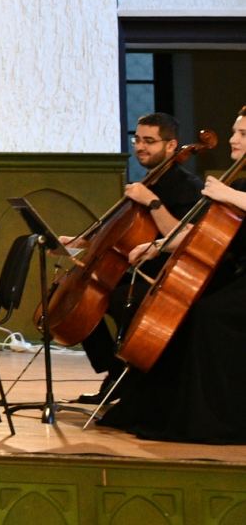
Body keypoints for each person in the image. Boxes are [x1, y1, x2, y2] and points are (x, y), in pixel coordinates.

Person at [102, 106, 246, 444]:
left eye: (241, 134)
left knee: (210, 315)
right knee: (191, 313)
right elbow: (204, 232)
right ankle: (165, 407)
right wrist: (158, 246)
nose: (232, 139)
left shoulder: (235, 189)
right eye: (235, 132)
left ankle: (222, 419)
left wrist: (230, 195)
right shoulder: (239, 181)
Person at [65, 112, 202, 404]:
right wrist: (80, 242)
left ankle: (127, 380)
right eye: (137, 139)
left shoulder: (187, 186)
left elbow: (184, 237)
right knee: (81, 296)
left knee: (110, 299)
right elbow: (117, 231)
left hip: (166, 279)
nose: (140, 146)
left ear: (171, 145)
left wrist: (151, 202)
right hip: (134, 270)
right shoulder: (147, 182)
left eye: (149, 141)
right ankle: (114, 372)